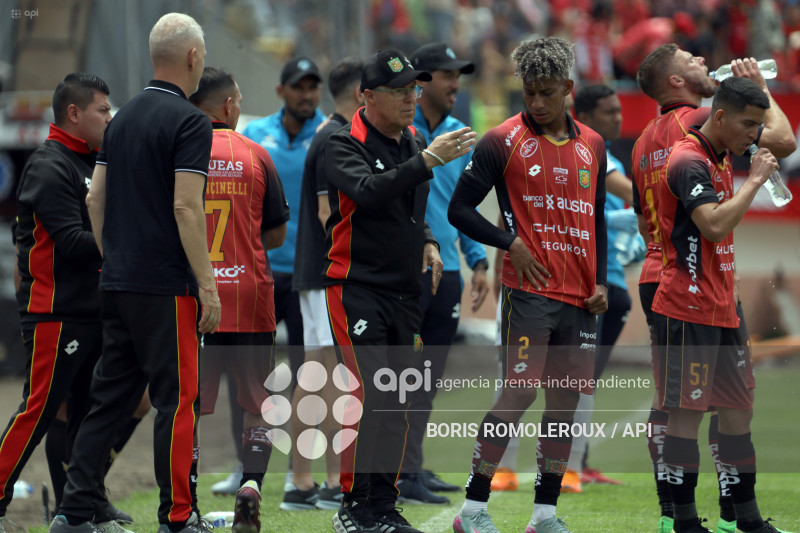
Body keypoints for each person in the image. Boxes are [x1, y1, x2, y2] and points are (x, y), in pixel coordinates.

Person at [49, 13, 218, 533]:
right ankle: (178, 517)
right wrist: (207, 283)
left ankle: (73, 512)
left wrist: (114, 255)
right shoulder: (190, 122)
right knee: (177, 399)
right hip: (166, 286)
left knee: (109, 400)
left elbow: (95, 197)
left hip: (117, 283)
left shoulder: (119, 120)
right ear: (193, 57)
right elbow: (187, 208)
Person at [632, 46, 796, 533]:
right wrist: (763, 88)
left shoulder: (646, 140)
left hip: (682, 279)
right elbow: (782, 141)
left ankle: (725, 516)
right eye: (690, 59)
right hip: (686, 291)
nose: (704, 60)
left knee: (723, 406)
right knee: (684, 408)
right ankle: (685, 520)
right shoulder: (695, 131)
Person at [448, 37, 608, 533]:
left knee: (563, 404)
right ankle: (472, 510)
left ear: (568, 89)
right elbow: (460, 209)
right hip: (530, 291)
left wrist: (601, 279)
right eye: (528, 93)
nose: (536, 103)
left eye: (545, 93)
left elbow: (596, 218)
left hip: (580, 298)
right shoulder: (501, 140)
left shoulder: (594, 145)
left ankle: (544, 515)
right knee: (517, 393)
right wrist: (508, 241)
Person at [324, 49, 475, 533]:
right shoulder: (341, 142)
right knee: (367, 394)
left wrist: (429, 242)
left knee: (396, 402)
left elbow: (411, 209)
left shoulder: (410, 140)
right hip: (357, 289)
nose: (412, 98)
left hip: (405, 293)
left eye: (414, 88)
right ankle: (351, 506)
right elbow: (368, 191)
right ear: (367, 96)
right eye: (399, 91)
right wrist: (428, 159)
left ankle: (382, 507)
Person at [0, 72, 130, 533]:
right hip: (55, 314)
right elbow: (74, 244)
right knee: (37, 410)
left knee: (88, 416)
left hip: (91, 312)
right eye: (102, 110)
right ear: (74, 113)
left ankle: (85, 505)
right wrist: (128, 238)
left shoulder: (92, 162)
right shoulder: (49, 164)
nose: (109, 118)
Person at [385, 41, 489, 504]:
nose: (455, 85)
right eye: (447, 75)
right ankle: (398, 473)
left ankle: (413, 468)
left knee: (426, 382)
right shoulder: (398, 135)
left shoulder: (460, 136)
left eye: (458, 76)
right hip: (404, 273)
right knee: (401, 378)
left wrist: (478, 260)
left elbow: (458, 208)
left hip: (446, 275)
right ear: (419, 82)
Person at [188, 66, 290, 532]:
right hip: (249, 293)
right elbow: (275, 235)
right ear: (229, 106)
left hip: (193, 295)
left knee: (187, 401)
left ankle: (184, 499)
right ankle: (251, 484)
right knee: (257, 401)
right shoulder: (256, 153)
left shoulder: (180, 154)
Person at [282, 57, 364, 512]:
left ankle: (324, 478)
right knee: (321, 372)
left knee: (328, 371)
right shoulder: (335, 137)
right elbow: (327, 215)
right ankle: (304, 480)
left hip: (321, 272)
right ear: (360, 95)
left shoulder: (330, 134)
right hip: (323, 273)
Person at [564, 83, 641, 492]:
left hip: (608, 281)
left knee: (582, 381)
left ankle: (578, 461)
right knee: (572, 380)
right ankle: (565, 463)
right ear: (586, 116)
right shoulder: (591, 153)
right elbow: (629, 196)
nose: (619, 118)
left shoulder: (599, 154)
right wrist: (651, 208)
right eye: (610, 112)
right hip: (589, 284)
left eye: (619, 110)